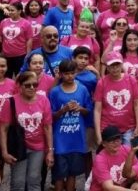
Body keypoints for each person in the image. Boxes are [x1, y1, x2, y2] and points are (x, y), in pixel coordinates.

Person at [0, 71, 54, 191]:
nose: (31, 88)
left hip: (38, 147)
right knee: (18, 182)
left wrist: (50, 151)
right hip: (19, 147)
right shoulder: (10, 102)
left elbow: (47, 127)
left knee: (34, 180)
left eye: (35, 85)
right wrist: (4, 152)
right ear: (19, 85)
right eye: (27, 85)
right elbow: (4, 129)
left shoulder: (43, 100)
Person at [49, 59, 93, 191]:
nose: (70, 76)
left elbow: (88, 110)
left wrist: (80, 108)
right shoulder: (55, 92)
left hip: (77, 139)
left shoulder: (82, 89)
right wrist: (63, 110)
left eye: (72, 73)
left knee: (72, 173)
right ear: (61, 74)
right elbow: (51, 115)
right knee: (58, 175)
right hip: (60, 140)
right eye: (66, 73)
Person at [94, 52, 138, 145]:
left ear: (122, 65)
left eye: (117, 65)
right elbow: (97, 110)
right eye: (112, 66)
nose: (115, 68)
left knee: (128, 155)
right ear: (107, 67)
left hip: (128, 128)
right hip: (108, 128)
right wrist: (98, 134)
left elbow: (137, 105)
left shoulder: (131, 80)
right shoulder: (102, 83)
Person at [90, 126, 131, 191]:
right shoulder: (100, 159)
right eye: (111, 140)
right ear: (104, 143)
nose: (116, 142)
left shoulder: (127, 150)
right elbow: (108, 187)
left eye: (118, 139)